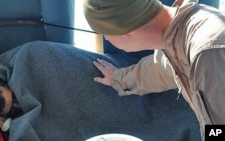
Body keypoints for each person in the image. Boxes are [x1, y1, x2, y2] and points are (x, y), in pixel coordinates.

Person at [83, 0, 225, 140]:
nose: (106, 39)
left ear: (124, 31)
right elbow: (159, 69)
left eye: (104, 32)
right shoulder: (179, 33)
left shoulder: (205, 54)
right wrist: (118, 78)